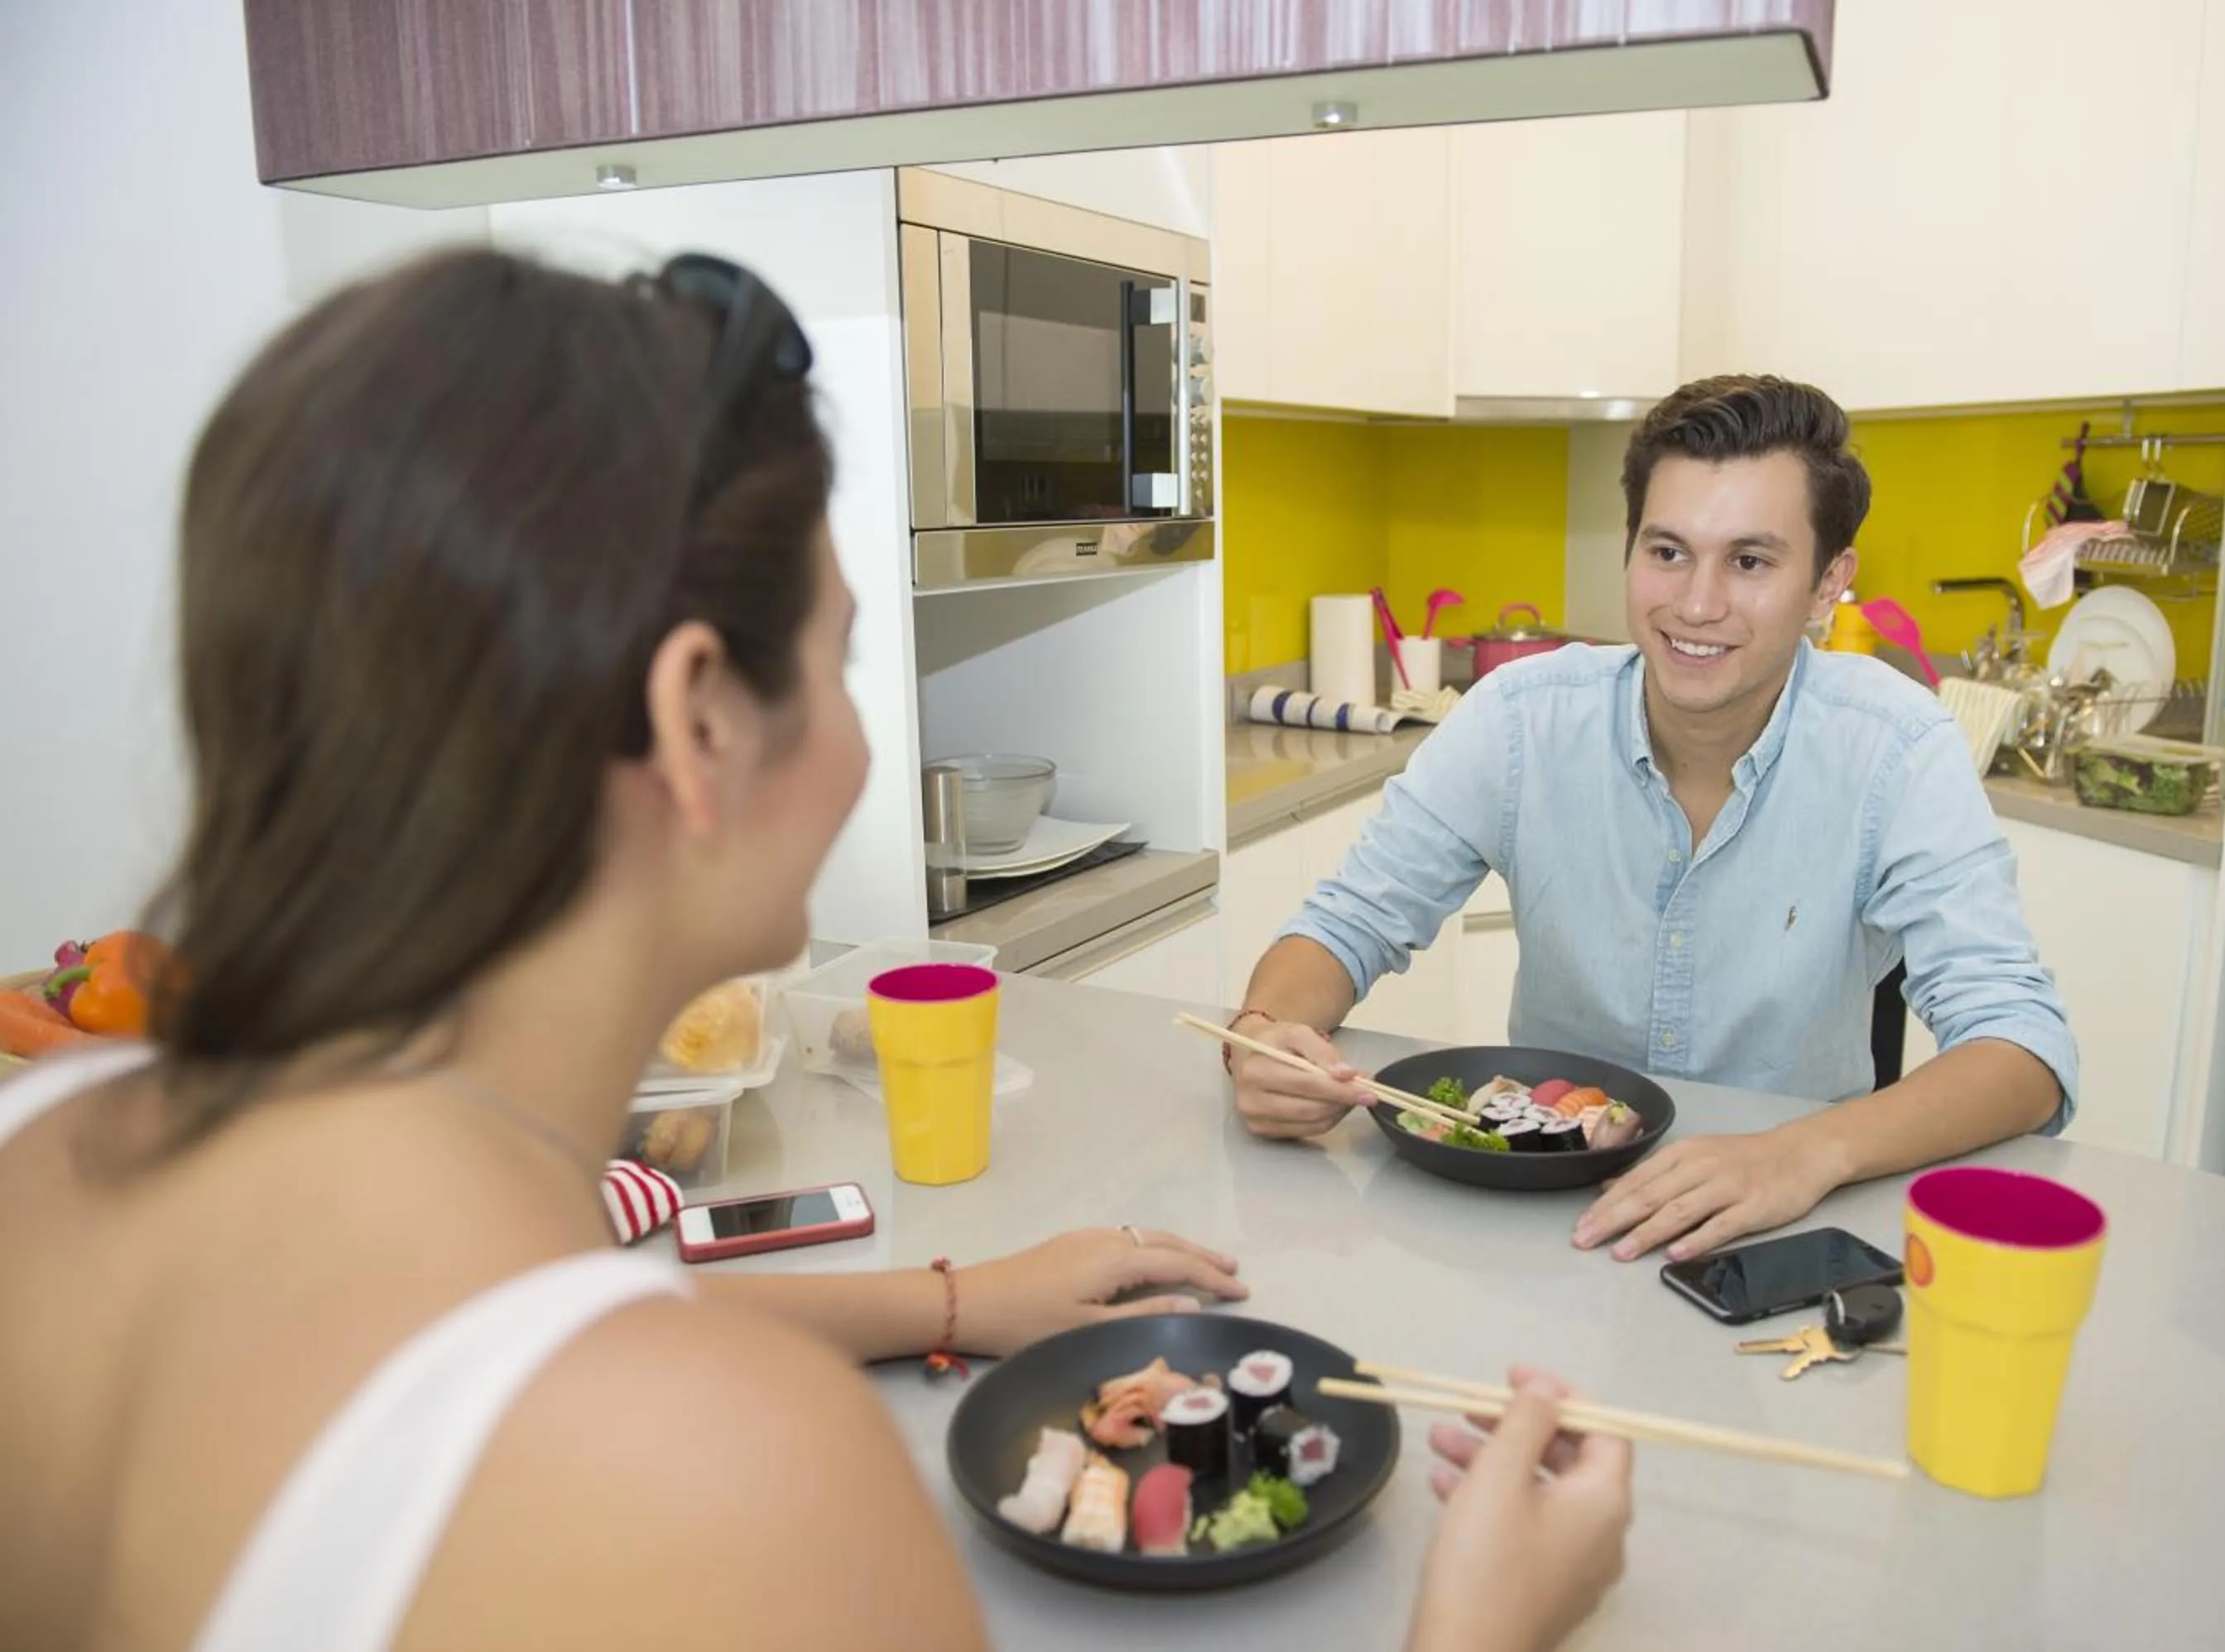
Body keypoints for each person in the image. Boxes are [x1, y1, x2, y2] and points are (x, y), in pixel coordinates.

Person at [0, 249, 1629, 1651]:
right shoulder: (739, 1483)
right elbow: (576, 1386)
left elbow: (414, 1355)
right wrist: (1477, 1624)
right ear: (698, 716)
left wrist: (943, 1293)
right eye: (844, 660)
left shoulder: (46, 1146)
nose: (860, 744)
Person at [1226, 375, 2076, 1266]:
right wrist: (1264, 1037)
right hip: (1549, 1210)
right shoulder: (1519, 719)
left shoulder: (1897, 748)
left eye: (1750, 561)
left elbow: (2024, 1048)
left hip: (1789, 1223)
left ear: (1828, 585)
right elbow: (1343, 928)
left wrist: (1804, 1151)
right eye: (1667, 551)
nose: (1696, 604)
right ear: (1627, 549)